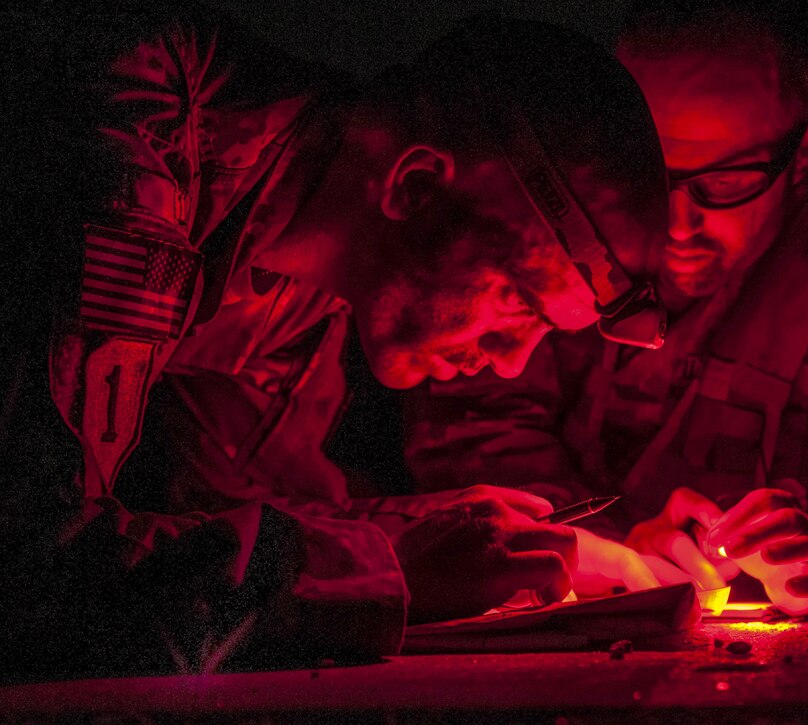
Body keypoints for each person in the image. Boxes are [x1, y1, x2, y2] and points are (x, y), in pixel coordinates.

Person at [0, 2, 673, 680]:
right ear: (413, 186)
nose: (509, 362)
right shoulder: (143, 129)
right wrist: (390, 567)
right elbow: (30, 564)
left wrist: (451, 535)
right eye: (519, 303)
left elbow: (207, 521)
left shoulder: (308, 299)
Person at [404, 0, 808, 626]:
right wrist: (609, 548)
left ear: (805, 153)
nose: (677, 223)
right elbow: (469, 431)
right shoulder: (559, 239)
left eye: (725, 184)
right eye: (650, 172)